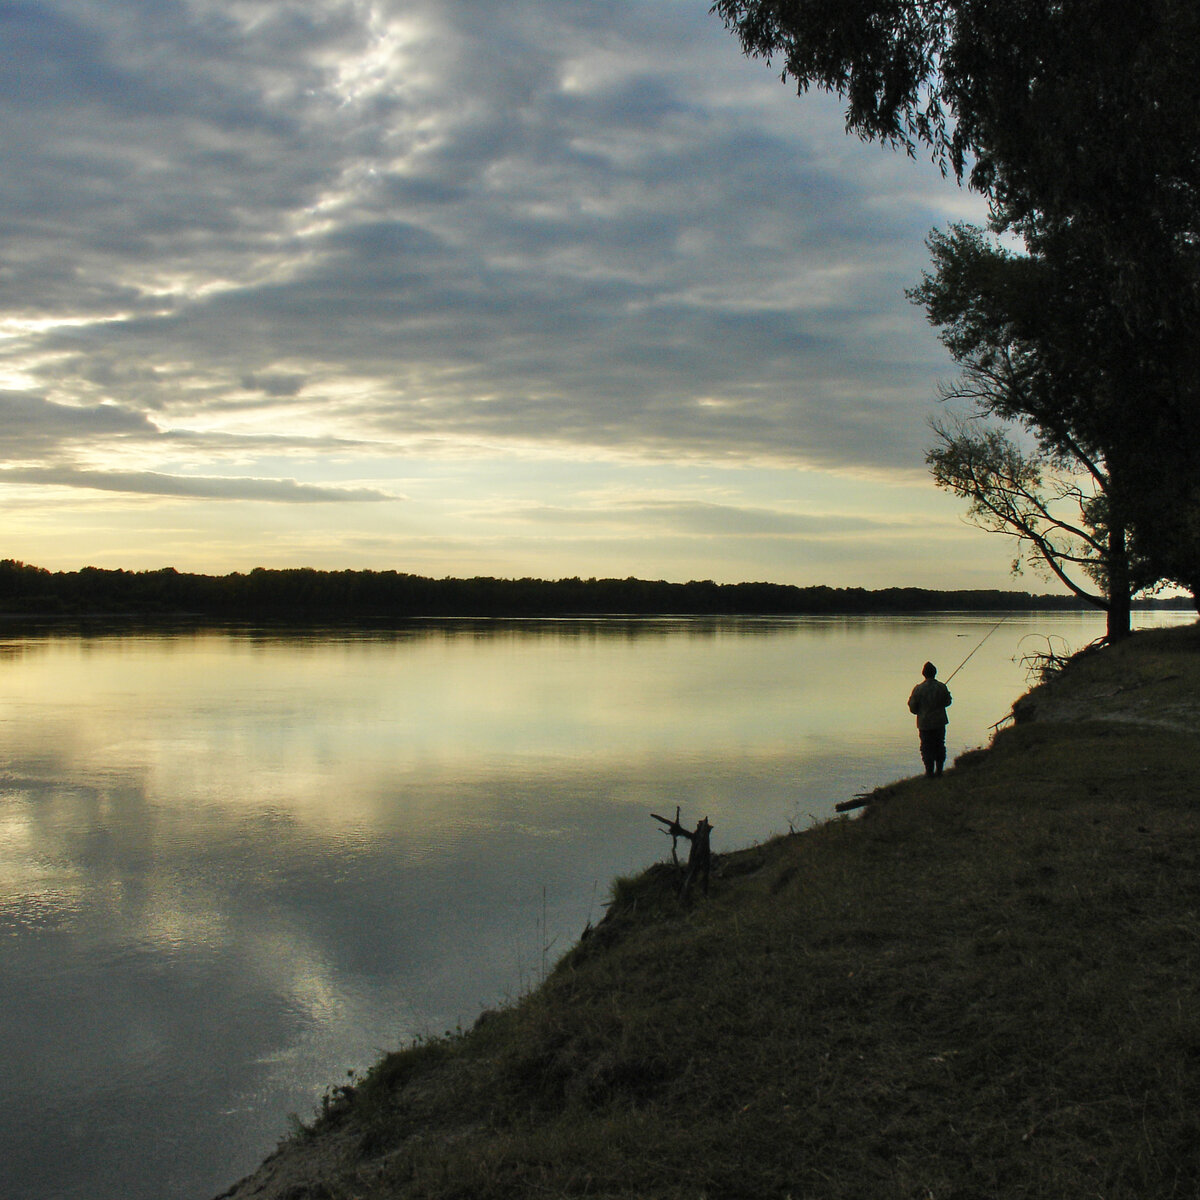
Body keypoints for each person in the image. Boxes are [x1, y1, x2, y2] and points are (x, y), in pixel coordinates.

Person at [908, 661, 952, 777]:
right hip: (939, 722)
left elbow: (912, 708)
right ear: (935, 673)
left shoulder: (918, 689)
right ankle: (939, 771)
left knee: (926, 747)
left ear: (924, 674)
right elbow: (948, 702)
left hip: (924, 724)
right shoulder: (941, 687)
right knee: (939, 745)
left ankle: (929, 772)